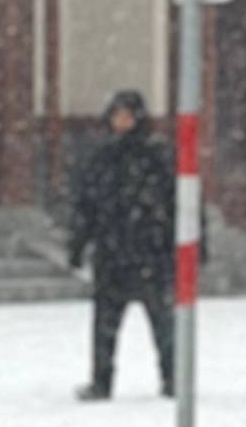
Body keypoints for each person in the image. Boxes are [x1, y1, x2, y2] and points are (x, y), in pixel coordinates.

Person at [68, 87, 175, 399]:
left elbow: (177, 203)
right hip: (112, 254)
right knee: (105, 325)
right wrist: (78, 244)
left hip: (151, 252)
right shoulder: (103, 158)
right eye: (117, 116)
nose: (122, 122)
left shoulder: (157, 157)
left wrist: (187, 246)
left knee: (163, 323)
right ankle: (101, 381)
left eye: (127, 116)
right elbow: (86, 205)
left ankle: (172, 378)